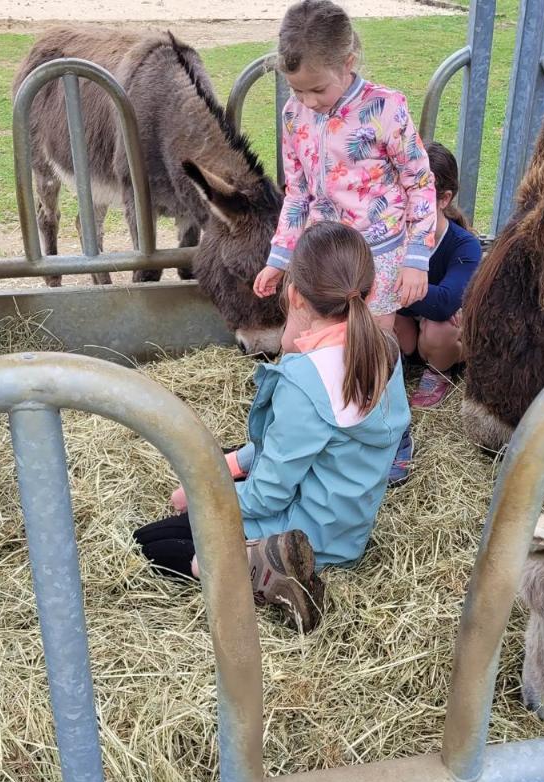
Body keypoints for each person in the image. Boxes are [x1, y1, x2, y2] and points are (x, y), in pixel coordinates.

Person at [135, 223, 410, 633]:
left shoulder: (305, 380)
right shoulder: (383, 347)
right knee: (224, 468)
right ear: (369, 292)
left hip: (310, 533)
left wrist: (203, 495)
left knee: (151, 545)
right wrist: (230, 464)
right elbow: (295, 445)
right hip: (347, 520)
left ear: (294, 293)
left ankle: (266, 569)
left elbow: (268, 496)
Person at [252, 0, 437, 333]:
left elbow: (419, 182)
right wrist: (279, 256)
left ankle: (376, 387)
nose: (308, 101)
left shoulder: (384, 108)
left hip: (376, 252)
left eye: (318, 89)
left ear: (346, 63)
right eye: (296, 89)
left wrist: (417, 257)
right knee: (297, 341)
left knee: (371, 345)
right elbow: (297, 193)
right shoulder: (294, 115)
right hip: (321, 251)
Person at [394, 141, 482, 408]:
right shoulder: (391, 233)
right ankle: (398, 364)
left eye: (419, 198)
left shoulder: (464, 245)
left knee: (441, 327)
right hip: (409, 327)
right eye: (402, 194)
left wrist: (384, 282)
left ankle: (438, 372)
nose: (407, 206)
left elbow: (444, 303)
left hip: (442, 334)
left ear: (444, 199)